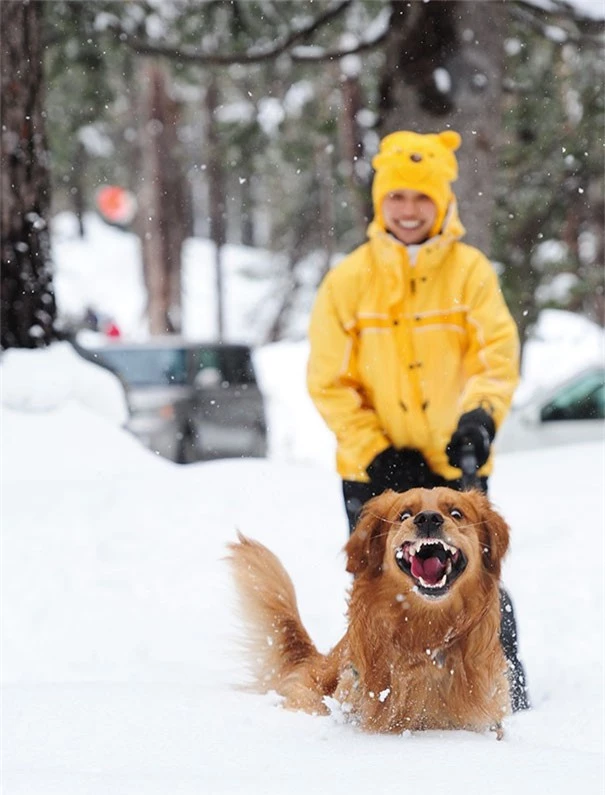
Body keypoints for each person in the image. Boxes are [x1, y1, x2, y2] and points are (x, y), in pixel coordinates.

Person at [307, 129, 529, 712]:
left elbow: (496, 357)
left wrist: (480, 416)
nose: (409, 211)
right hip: (371, 468)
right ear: (381, 204)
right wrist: (377, 452)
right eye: (397, 198)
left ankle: (498, 687)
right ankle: (373, 692)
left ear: (443, 202)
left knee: (476, 582)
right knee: (378, 585)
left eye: (421, 198)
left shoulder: (470, 272)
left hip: (452, 465)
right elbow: (328, 381)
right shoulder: (348, 281)